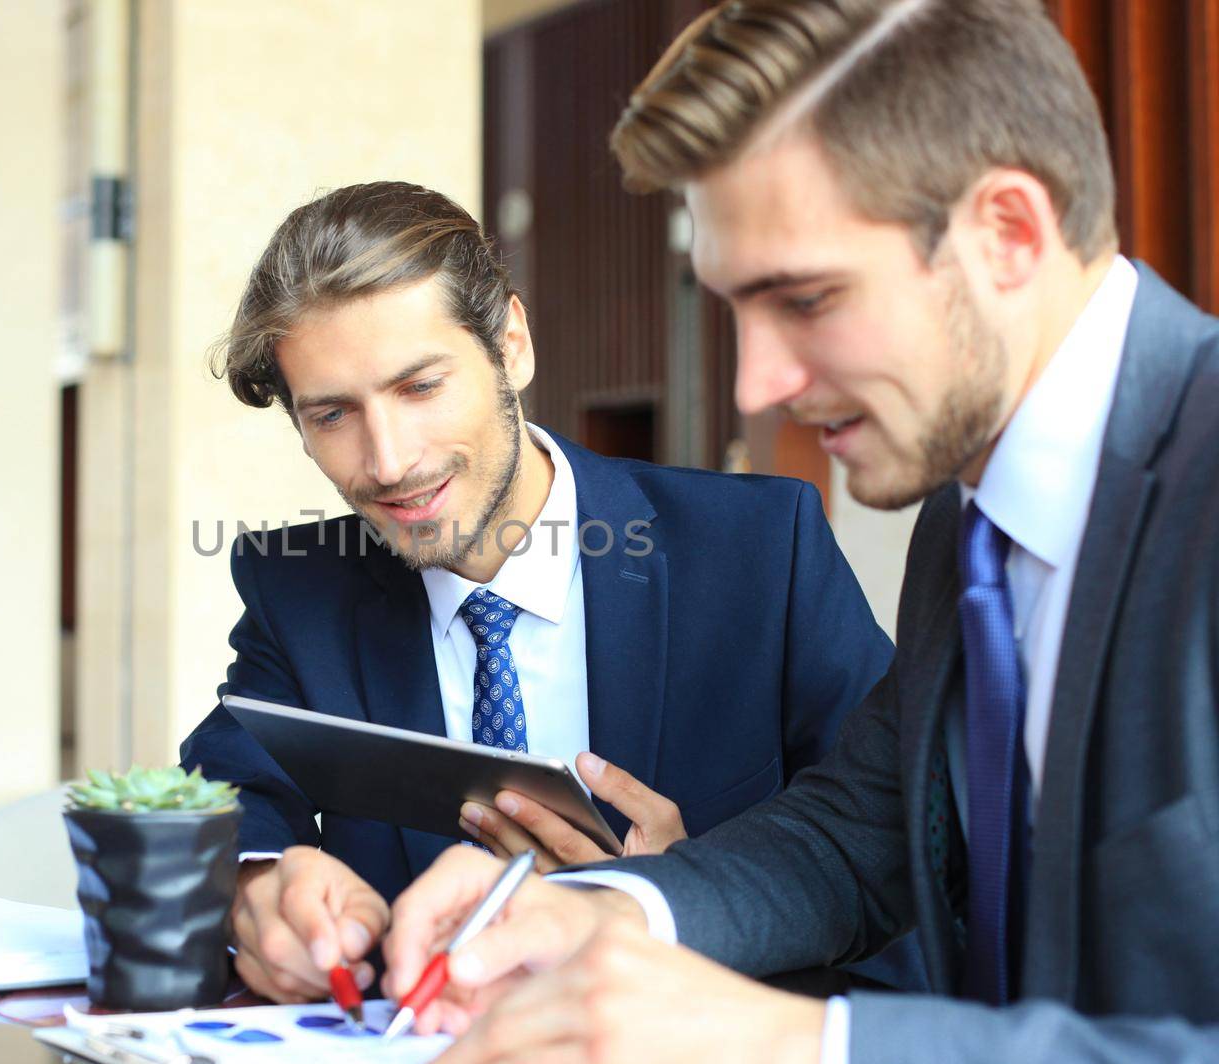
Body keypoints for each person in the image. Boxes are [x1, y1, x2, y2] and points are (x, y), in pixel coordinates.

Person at [381, 1, 1219, 1063]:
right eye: (737, 307)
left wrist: (799, 1040)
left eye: (808, 299)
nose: (756, 383)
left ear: (1008, 233)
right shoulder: (967, 520)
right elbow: (855, 832)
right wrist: (600, 910)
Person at [177, 180, 897, 1005]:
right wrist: (258, 882)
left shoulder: (762, 552)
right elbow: (223, 784)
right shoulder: (298, 587)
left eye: (419, 387)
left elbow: (903, 851)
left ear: (511, 343)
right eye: (334, 413)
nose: (388, 460)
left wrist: (682, 901)